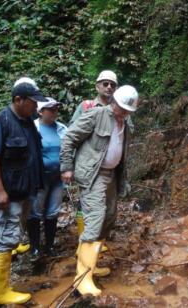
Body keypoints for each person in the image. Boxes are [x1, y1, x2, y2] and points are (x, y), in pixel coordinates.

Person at [60, 85, 138, 296]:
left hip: (111, 175)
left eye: (127, 110)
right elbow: (69, 138)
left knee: (109, 217)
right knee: (95, 218)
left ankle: (91, 265)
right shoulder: (96, 115)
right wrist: (66, 166)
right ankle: (81, 280)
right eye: (120, 107)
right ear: (113, 102)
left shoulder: (125, 123)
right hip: (93, 175)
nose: (123, 112)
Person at [0, 78, 47, 305]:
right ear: (18, 100)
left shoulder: (27, 121)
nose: (36, 107)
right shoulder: (1, 121)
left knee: (4, 233)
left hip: (24, 189)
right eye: (33, 102)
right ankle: (0, 293)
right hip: (8, 192)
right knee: (7, 239)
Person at [69, 70, 118, 239]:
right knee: (89, 206)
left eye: (112, 84)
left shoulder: (120, 110)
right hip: (89, 166)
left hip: (110, 169)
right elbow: (73, 134)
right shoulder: (86, 107)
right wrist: (71, 166)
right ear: (97, 86)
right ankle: (86, 242)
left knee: (109, 209)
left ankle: (96, 244)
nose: (109, 87)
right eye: (105, 83)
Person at [27, 97, 67, 260]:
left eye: (56, 109)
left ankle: (49, 246)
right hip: (39, 177)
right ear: (41, 112)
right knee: (35, 211)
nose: (55, 112)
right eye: (51, 109)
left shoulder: (62, 128)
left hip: (57, 177)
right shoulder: (32, 128)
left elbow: (69, 149)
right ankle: (34, 247)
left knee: (53, 211)